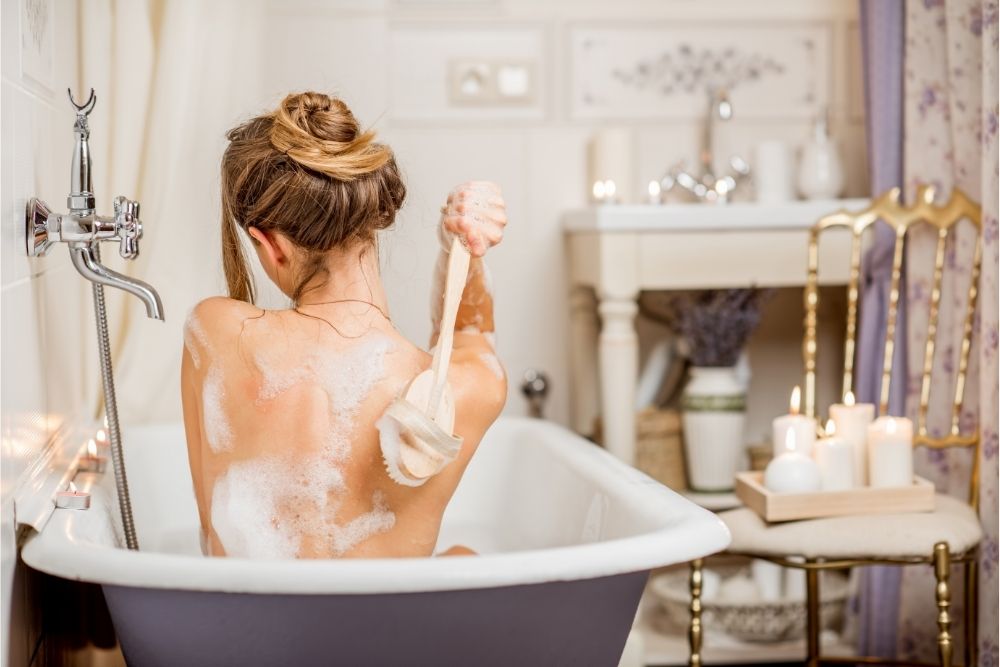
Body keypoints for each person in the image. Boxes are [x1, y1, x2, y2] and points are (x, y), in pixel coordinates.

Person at [181, 91, 507, 559]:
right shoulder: (463, 392)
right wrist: (460, 249)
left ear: (270, 245)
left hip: (243, 628)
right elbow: (472, 331)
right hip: (380, 633)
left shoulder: (212, 332)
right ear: (372, 216)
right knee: (463, 560)